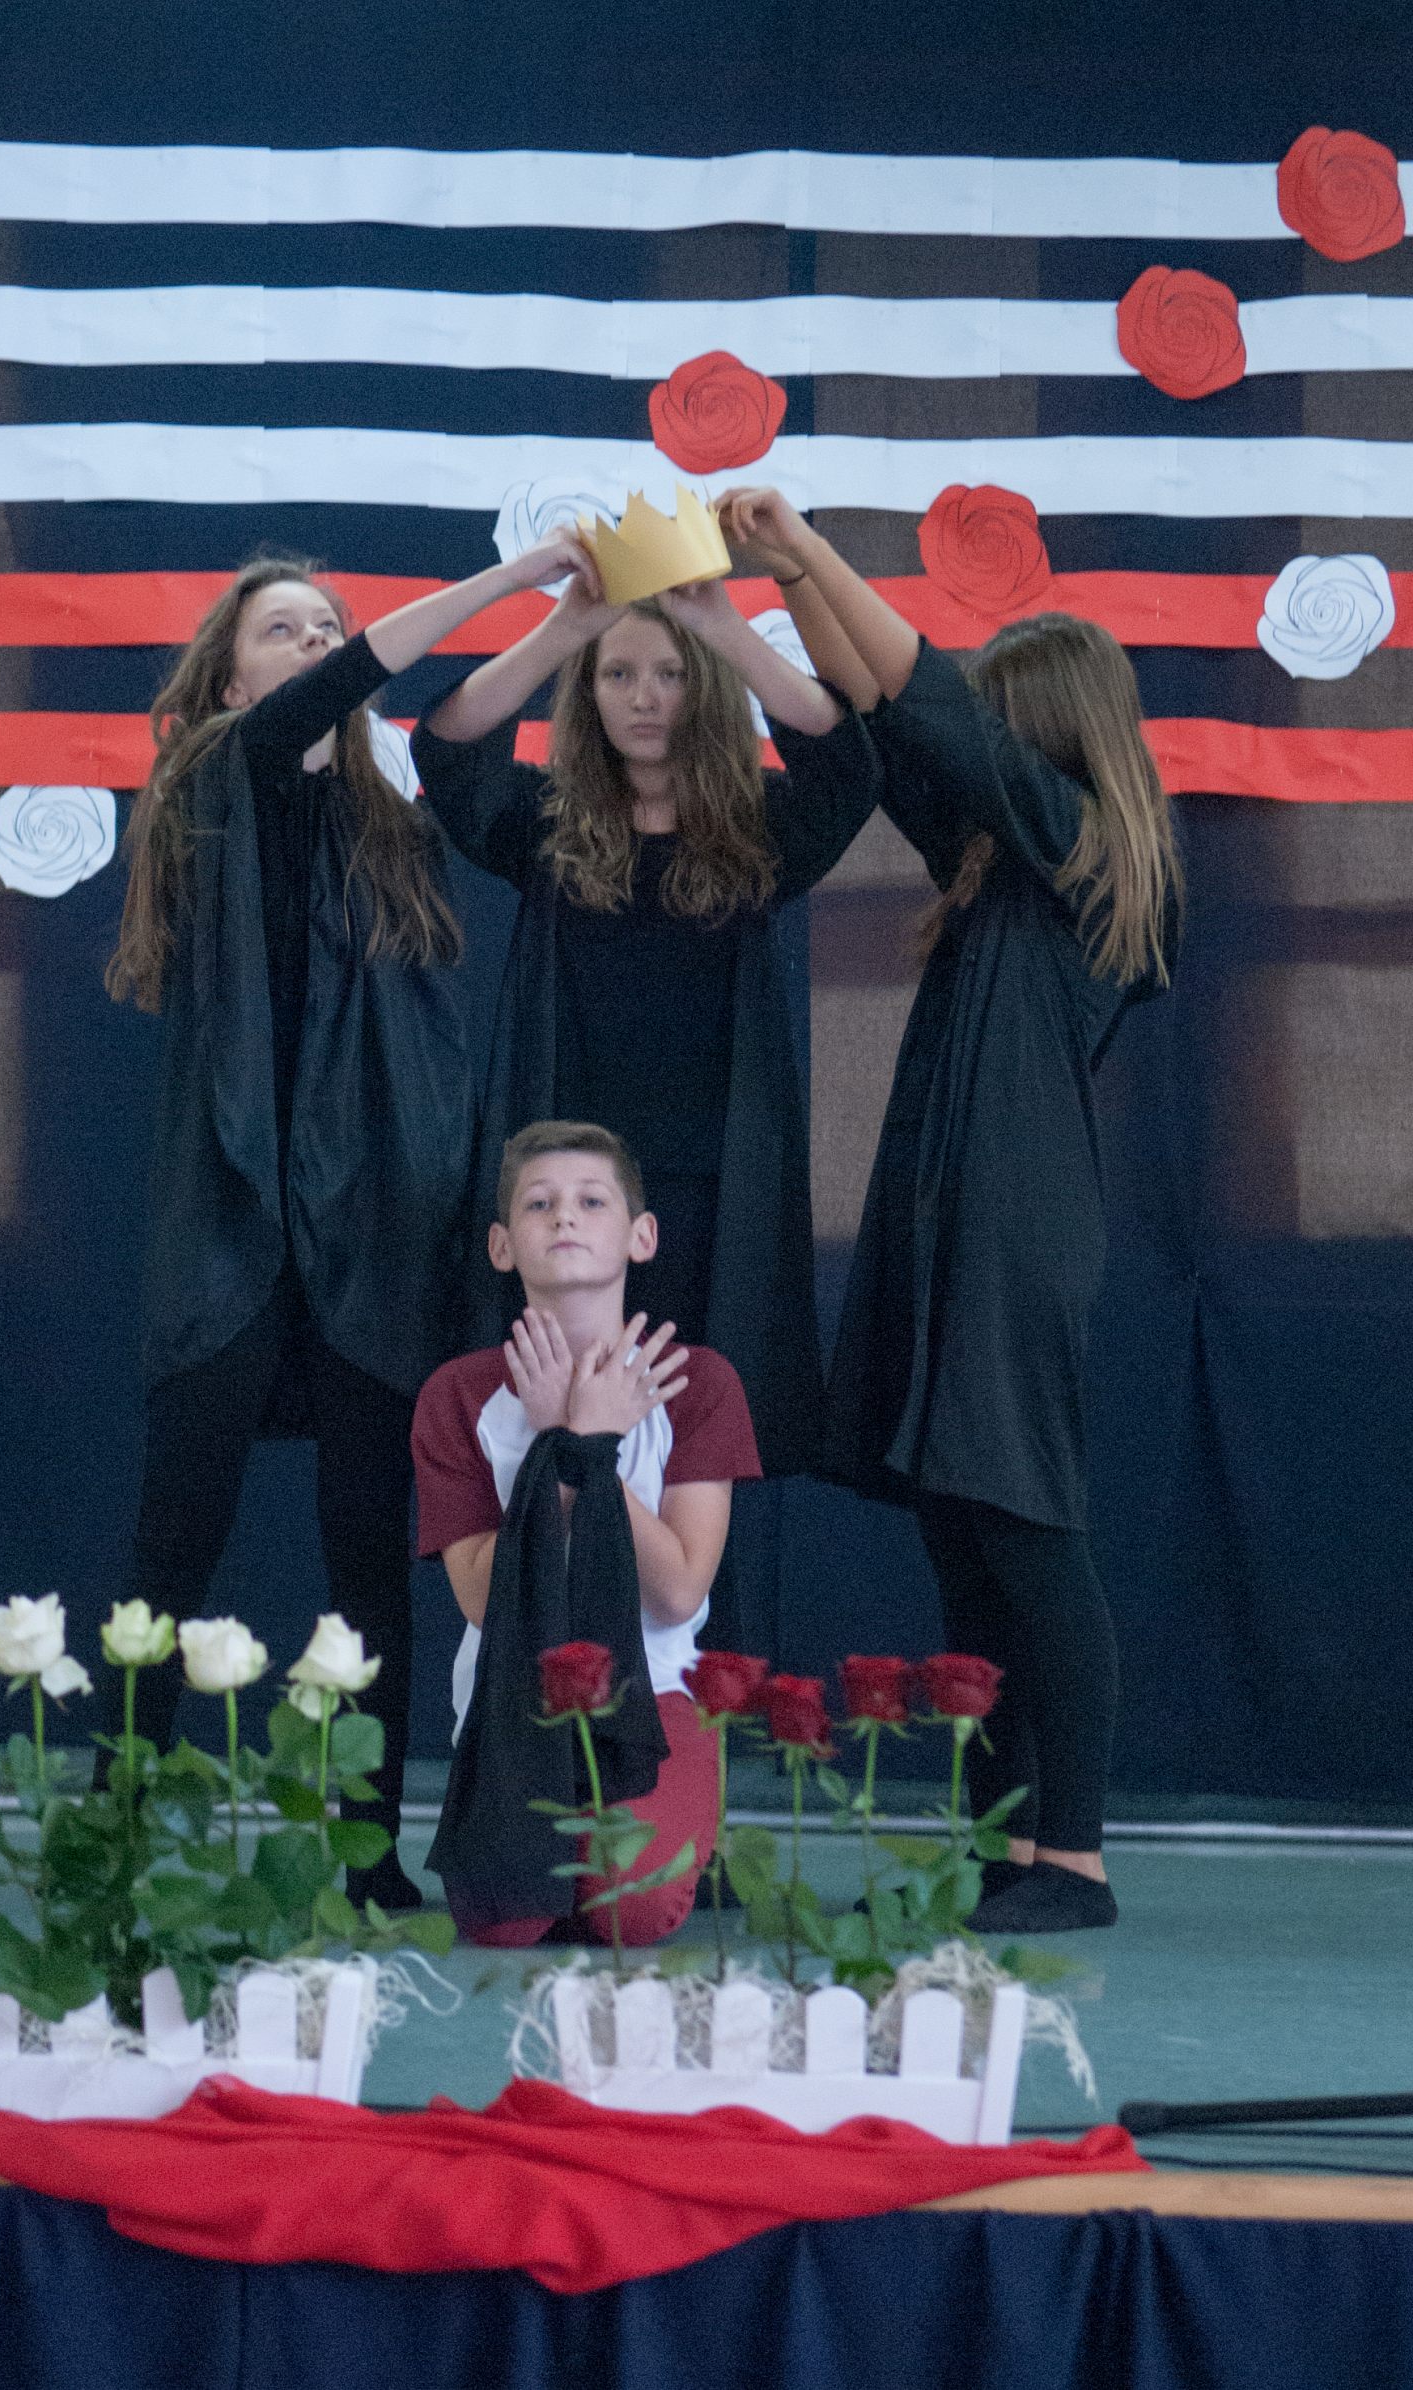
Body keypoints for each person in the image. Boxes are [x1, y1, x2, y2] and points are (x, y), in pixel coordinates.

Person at [715, 487, 1184, 1933]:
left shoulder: (1076, 848)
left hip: (1013, 1236)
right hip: (950, 1222)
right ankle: (1003, 1843)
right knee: (967, 1542)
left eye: (1001, 718)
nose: (978, 732)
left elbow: (930, 703)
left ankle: (1074, 1858)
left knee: (1028, 1534)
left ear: (1047, 735)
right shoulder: (998, 863)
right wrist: (759, 599)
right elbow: (890, 715)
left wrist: (805, 550)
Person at [104, 538, 586, 1907]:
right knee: (173, 1547)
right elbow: (353, 685)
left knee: (370, 1552)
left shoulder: (393, 830)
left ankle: (368, 1847)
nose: (318, 644)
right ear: (228, 679)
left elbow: (446, 726)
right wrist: (512, 579)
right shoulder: (220, 775)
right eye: (286, 630)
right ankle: (116, 1831)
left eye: (328, 626)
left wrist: (569, 623)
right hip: (236, 1226)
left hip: (374, 1230)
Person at [408, 559, 884, 1487]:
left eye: (669, 674)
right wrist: (563, 633)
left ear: (704, 687)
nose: (643, 697)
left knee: (698, 1449)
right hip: (571, 1193)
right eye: (618, 674)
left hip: (713, 1188)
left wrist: (727, 630)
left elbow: (847, 765)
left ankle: (697, 1595)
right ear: (587, 692)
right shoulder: (546, 824)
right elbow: (449, 746)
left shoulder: (758, 829)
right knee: (558, 1440)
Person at [411, 1121, 761, 1945]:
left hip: (654, 1693)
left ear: (642, 1236)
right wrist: (562, 1449)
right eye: (539, 1204)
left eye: (592, 1201)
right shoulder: (458, 1395)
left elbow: (677, 1594)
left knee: (629, 1910)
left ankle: (676, 1818)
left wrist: (591, 1448)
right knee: (505, 1927)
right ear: (502, 1246)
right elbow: (481, 1600)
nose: (565, 1216)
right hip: (512, 1704)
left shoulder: (698, 1383)